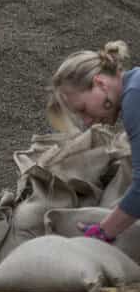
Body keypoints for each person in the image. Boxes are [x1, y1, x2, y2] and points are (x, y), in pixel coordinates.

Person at [47, 41, 140, 242]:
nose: (88, 122)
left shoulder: (135, 96)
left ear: (100, 83)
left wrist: (102, 232)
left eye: (82, 109)